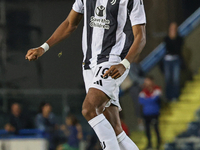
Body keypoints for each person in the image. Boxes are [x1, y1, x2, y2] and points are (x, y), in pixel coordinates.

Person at [25, 0, 146, 149]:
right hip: (89, 66)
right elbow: (70, 23)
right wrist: (43, 48)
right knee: (115, 130)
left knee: (89, 108)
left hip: (113, 62)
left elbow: (140, 36)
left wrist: (125, 63)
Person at [139, 76, 161, 150]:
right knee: (147, 130)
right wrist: (150, 100)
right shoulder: (143, 91)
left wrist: (147, 100)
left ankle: (158, 143)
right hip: (146, 113)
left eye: (148, 81)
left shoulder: (157, 89)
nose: (146, 83)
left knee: (155, 128)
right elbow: (141, 101)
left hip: (154, 112)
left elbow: (154, 99)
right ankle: (149, 144)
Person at [164, 22, 184, 101]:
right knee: (168, 79)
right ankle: (168, 96)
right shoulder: (166, 38)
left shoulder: (179, 39)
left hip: (176, 60)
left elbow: (177, 50)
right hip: (167, 60)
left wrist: (174, 37)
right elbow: (168, 49)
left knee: (176, 79)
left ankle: (175, 96)